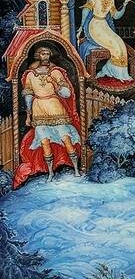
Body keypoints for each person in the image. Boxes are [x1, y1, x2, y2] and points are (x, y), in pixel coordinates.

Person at [14, 46, 83, 185]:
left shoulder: (56, 72)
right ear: (37, 56)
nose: (45, 56)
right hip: (38, 109)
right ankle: (50, 173)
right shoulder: (30, 74)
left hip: (56, 108)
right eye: (42, 54)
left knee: (66, 139)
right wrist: (28, 115)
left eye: (47, 54)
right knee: (44, 142)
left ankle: (76, 169)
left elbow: (66, 94)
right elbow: (28, 96)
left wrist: (55, 84)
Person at [79, 0, 132, 82]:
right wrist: (81, 26)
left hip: (104, 25)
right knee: (115, 46)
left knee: (121, 44)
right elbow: (86, 10)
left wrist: (125, 5)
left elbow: (116, 16)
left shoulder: (111, 0)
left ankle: (114, 72)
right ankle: (111, 72)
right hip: (94, 26)